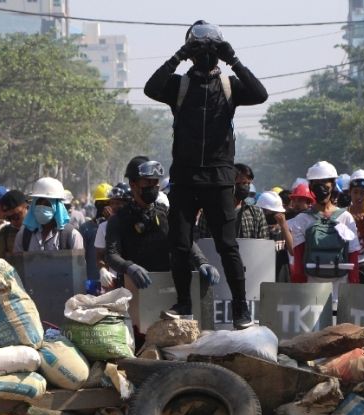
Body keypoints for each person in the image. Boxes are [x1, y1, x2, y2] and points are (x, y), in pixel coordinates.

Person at [144, 20, 268, 327]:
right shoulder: (179, 85)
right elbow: (151, 88)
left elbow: (260, 94)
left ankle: (241, 308)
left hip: (219, 177)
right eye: (199, 48)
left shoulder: (229, 86)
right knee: (180, 243)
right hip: (185, 177)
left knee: (227, 246)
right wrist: (179, 56)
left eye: (210, 48)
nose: (205, 54)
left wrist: (233, 58)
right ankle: (184, 304)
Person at [105, 156, 219, 303]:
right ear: (133, 184)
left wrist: (202, 262)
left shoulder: (165, 213)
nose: (153, 186)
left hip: (167, 288)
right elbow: (111, 254)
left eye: (155, 182)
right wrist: (129, 267)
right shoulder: (118, 219)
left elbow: (185, 241)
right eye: (147, 182)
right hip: (132, 290)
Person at [286, 161, 361, 301]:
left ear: (333, 184)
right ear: (311, 187)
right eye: (316, 184)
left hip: (340, 290)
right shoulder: (302, 219)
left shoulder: (346, 217)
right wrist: (299, 293)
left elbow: (353, 256)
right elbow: (299, 257)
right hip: (310, 290)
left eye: (325, 183)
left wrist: (353, 290)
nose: (321, 188)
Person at [196, 163, 269, 240]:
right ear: (229, 184)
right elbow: (202, 242)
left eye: (248, 184)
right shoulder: (210, 212)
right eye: (242, 183)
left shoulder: (256, 213)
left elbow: (263, 243)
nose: (246, 187)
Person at [14, 177, 83, 253]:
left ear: (57, 206)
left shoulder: (71, 235)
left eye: (47, 204)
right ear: (33, 205)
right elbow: (17, 263)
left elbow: (78, 264)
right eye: (39, 203)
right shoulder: (24, 235)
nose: (41, 207)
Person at [96, 183, 132, 290]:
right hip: (114, 281)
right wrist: (103, 271)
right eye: (113, 203)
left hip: (134, 278)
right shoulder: (103, 227)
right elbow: (99, 255)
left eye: (119, 203)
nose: (115, 206)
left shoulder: (136, 224)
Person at [255, 190, 292, 282]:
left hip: (282, 279)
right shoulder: (256, 229)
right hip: (262, 278)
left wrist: (283, 225)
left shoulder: (286, 229)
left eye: (278, 213)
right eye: (271, 212)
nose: (275, 217)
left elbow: (293, 250)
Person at [0, 190, 27, 261]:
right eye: (8, 218)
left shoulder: (39, 229)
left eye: (16, 216)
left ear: (25, 206)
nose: (13, 221)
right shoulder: (5, 233)